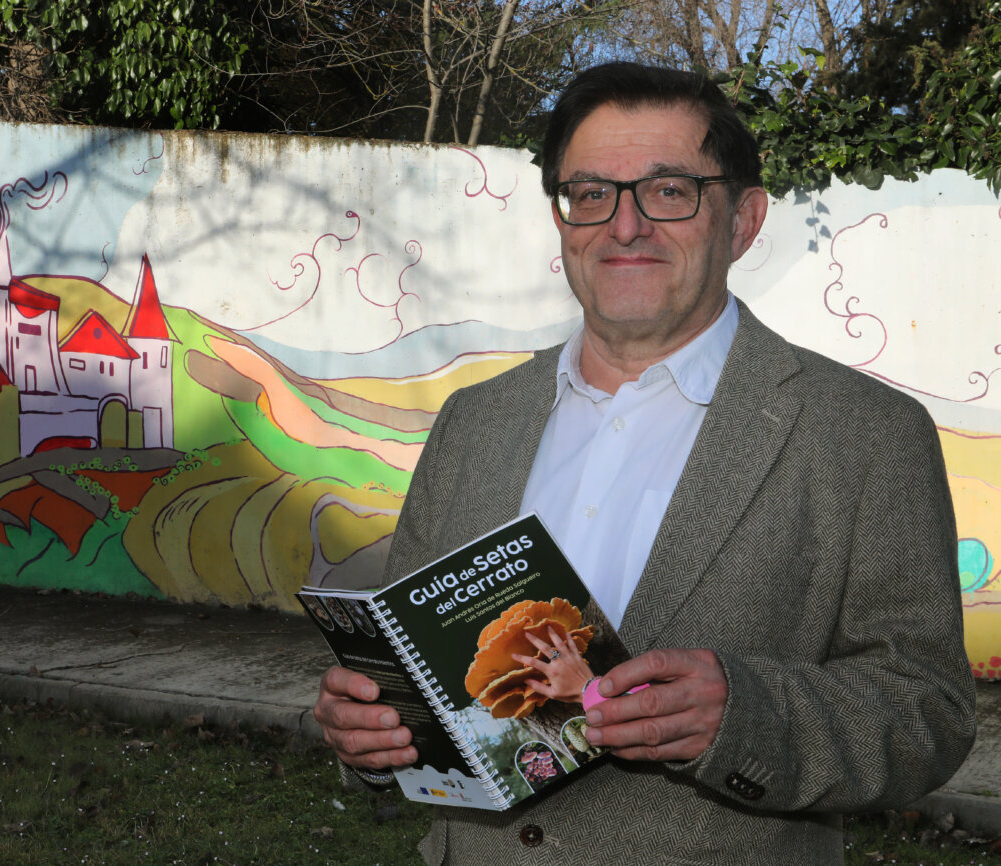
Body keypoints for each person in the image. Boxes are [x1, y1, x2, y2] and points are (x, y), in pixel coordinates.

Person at [313, 61, 976, 864]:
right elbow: (414, 671)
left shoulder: (865, 434)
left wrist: (747, 715)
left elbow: (927, 711)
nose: (624, 226)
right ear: (562, 222)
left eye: (669, 190)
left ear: (743, 219)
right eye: (591, 193)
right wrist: (372, 729)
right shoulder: (473, 423)